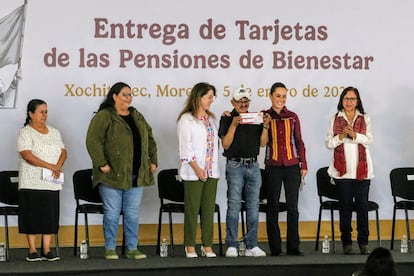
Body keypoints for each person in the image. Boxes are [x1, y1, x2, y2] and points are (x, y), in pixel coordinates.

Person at [86, 82, 158, 260]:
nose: (129, 97)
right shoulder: (104, 116)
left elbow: (149, 137)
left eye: (130, 94)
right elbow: (93, 140)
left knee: (132, 213)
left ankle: (132, 248)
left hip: (136, 174)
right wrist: (102, 163)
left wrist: (153, 160)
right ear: (114, 96)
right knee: (111, 212)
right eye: (125, 94)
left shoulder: (136, 115)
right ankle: (110, 248)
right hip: (111, 175)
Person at [218, 85, 270, 257]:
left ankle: (251, 245)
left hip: (253, 166)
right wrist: (233, 125)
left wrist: (265, 126)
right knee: (233, 205)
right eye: (239, 101)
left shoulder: (255, 118)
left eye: (246, 101)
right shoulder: (226, 118)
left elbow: (263, 144)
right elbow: (225, 144)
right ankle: (232, 244)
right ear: (233, 102)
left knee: (253, 206)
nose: (243, 104)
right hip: (234, 165)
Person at [17, 99, 67, 262]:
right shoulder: (26, 132)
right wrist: (50, 166)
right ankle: (32, 250)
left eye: (46, 111)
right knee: (32, 215)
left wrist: (58, 166)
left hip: (51, 181)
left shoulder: (54, 131)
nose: (44, 115)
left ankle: (47, 249)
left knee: (49, 215)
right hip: (31, 182)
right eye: (41, 112)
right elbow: (27, 155)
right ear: (30, 114)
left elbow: (63, 152)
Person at [325, 86, 373, 255]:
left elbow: (369, 140)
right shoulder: (334, 119)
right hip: (342, 173)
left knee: (362, 207)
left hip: (362, 172)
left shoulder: (365, 118)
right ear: (341, 100)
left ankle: (364, 242)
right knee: (344, 208)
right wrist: (340, 136)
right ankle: (347, 242)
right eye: (346, 99)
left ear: (357, 101)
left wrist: (354, 135)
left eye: (352, 99)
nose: (349, 102)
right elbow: (329, 143)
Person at [263, 82, 307, 256]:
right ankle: (274, 247)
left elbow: (299, 142)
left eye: (284, 96)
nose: (281, 99)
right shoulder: (264, 116)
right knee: (272, 206)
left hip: (291, 166)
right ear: (271, 96)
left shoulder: (293, 117)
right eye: (278, 96)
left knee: (293, 207)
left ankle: (293, 246)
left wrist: (303, 163)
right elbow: (262, 142)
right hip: (272, 166)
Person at [177, 82, 220, 258]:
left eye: (212, 97)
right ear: (199, 97)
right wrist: (197, 169)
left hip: (211, 171)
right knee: (192, 210)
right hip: (194, 172)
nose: (212, 100)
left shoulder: (212, 119)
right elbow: (185, 149)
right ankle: (190, 245)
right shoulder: (186, 119)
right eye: (209, 97)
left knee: (208, 210)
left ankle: (207, 245)